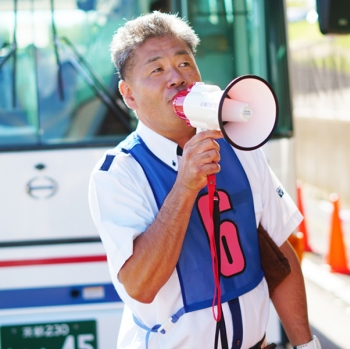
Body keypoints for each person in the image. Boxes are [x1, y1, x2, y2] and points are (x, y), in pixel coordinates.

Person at [89, 10, 321, 349]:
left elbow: (279, 257)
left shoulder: (240, 146)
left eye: (184, 64)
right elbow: (140, 286)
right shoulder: (118, 174)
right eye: (156, 69)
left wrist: (305, 344)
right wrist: (184, 187)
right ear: (129, 95)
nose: (176, 78)